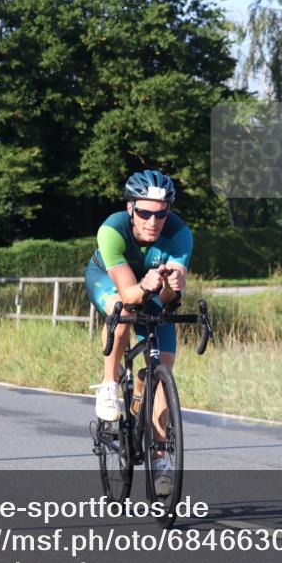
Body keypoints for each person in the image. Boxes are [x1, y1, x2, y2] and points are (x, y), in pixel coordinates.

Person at [84, 170, 191, 496]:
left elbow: (170, 300)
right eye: (144, 212)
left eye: (161, 213)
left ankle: (160, 458)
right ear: (131, 208)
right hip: (110, 281)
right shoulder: (112, 230)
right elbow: (131, 294)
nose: (153, 221)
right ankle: (109, 384)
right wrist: (142, 286)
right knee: (124, 310)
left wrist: (175, 285)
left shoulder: (180, 234)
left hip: (152, 288)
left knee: (164, 364)